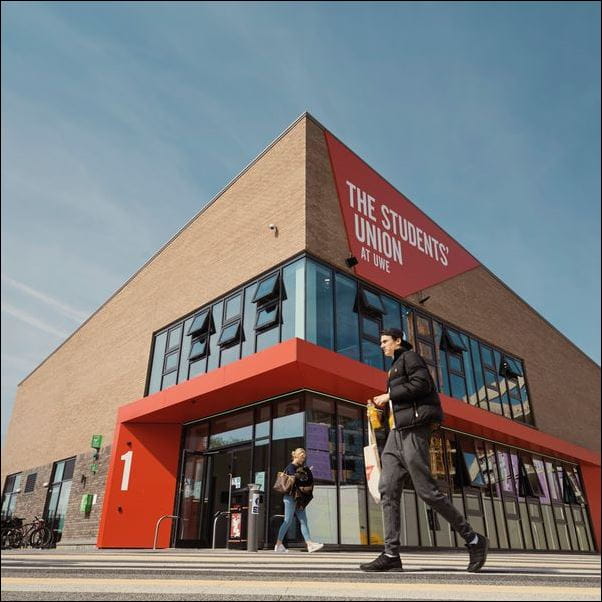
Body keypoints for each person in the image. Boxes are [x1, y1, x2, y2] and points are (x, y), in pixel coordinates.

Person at [360, 328, 489, 573]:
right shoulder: (394, 367)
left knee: (427, 491)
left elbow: (422, 385)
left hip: (414, 431)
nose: (381, 346)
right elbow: (404, 400)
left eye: (385, 341)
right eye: (381, 342)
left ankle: (473, 539)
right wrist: (381, 410)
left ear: (398, 341)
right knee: (387, 489)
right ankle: (391, 554)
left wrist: (388, 396)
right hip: (395, 435)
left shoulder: (410, 357)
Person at [274, 448, 324, 553]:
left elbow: (301, 481)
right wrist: (302, 475)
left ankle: (309, 544)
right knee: (287, 521)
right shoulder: (291, 467)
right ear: (296, 456)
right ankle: (278, 544)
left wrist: (306, 473)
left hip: (298, 498)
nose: (303, 459)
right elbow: (294, 480)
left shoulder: (300, 467)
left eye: (304, 457)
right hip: (290, 498)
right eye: (302, 457)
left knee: (303, 520)